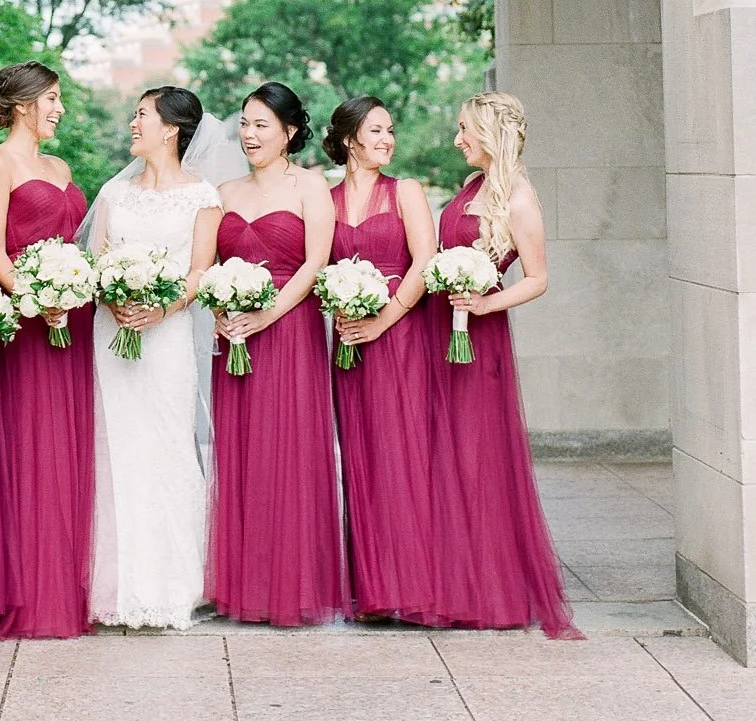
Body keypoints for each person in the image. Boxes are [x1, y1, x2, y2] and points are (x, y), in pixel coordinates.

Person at [85, 87, 245, 630]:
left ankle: (175, 584)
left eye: (142, 115)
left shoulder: (203, 196)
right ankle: (114, 585)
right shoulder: (114, 193)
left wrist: (161, 307)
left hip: (169, 337)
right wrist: (115, 297)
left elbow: (200, 270)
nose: (133, 123)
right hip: (113, 336)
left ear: (172, 129)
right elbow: (97, 262)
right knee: (116, 450)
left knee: (166, 444)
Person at [429, 91, 581, 639]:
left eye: (465, 129)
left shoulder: (518, 197)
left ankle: (492, 591)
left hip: (480, 345)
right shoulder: (472, 188)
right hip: (443, 339)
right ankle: (454, 581)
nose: (458, 139)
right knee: (448, 458)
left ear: (492, 133)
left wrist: (485, 304)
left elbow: (538, 278)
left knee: (480, 460)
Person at [206, 82, 349, 625]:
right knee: (241, 453)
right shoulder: (223, 191)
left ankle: (294, 588)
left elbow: (314, 264)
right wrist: (221, 312)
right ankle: (247, 586)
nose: (249, 134)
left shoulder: (311, 186)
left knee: (288, 452)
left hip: (290, 333)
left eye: (262, 124)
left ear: (290, 132)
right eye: (244, 123)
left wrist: (267, 315)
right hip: (234, 335)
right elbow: (210, 263)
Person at [0, 61, 93, 638]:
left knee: (65, 449)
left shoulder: (61, 166)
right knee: (28, 450)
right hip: (28, 326)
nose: (60, 108)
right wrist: (34, 299)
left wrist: (73, 290)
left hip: (72, 322)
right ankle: (28, 592)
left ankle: (64, 586)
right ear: (23, 105)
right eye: (52, 98)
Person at [324, 94, 438, 622]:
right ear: (349, 139)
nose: (388, 140)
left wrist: (383, 319)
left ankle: (413, 588)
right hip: (348, 343)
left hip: (401, 338)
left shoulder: (405, 191)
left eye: (390, 130)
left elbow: (425, 262)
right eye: (376, 131)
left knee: (403, 453)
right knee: (361, 457)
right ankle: (372, 591)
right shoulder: (324, 200)